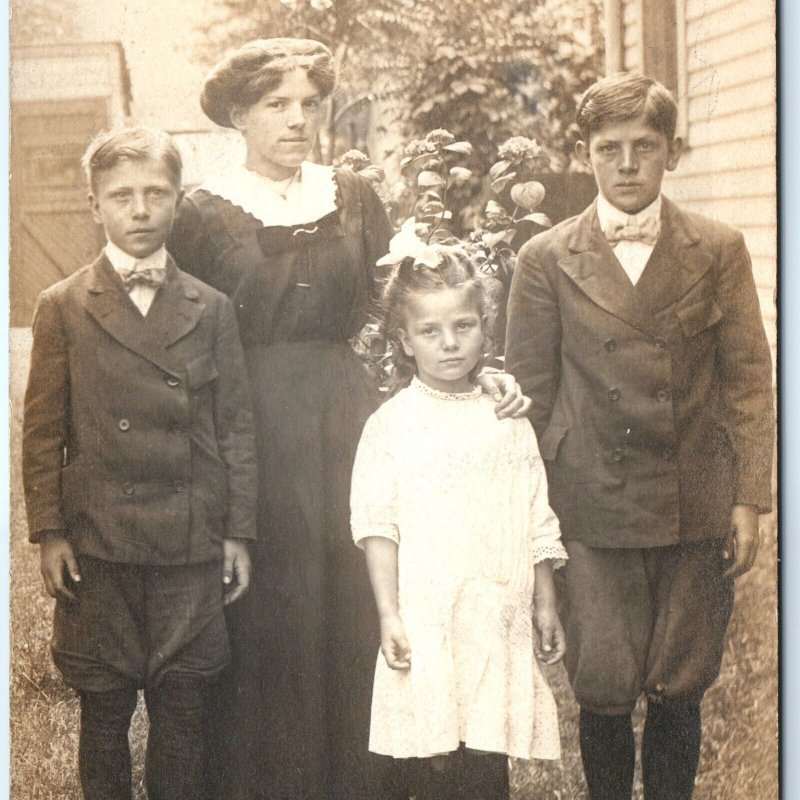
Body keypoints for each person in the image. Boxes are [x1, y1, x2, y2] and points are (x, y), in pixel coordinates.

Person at [167, 37, 529, 800]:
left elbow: (415, 306)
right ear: (239, 115)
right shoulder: (201, 212)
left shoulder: (353, 196)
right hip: (252, 428)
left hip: (348, 424)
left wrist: (479, 372)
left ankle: (367, 781)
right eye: (277, 105)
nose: (298, 120)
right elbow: (184, 334)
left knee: (361, 594)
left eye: (309, 104)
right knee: (274, 609)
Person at [505, 72, 774, 800]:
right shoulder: (546, 259)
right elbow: (527, 397)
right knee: (603, 681)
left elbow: (749, 379)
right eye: (608, 148)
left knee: (681, 681)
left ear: (673, 153)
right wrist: (532, 521)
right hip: (589, 502)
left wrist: (749, 498)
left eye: (644, 147)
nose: (626, 165)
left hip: (692, 497)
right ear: (585, 154)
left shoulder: (717, 249)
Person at [21, 127, 257, 800]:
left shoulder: (211, 308)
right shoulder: (62, 306)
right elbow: (42, 432)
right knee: (104, 703)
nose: (141, 210)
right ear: (94, 205)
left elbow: (236, 427)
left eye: (157, 193)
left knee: (184, 708)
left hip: (189, 539)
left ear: (179, 201)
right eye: (121, 196)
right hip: (101, 542)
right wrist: (49, 532)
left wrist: (239, 531)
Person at [350, 243, 568, 800]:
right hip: (428, 611)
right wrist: (388, 612)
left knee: (485, 756)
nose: (449, 343)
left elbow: (534, 511)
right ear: (404, 339)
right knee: (430, 752)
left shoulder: (506, 418)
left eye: (463, 326)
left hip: (496, 609)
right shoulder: (391, 424)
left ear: (485, 328)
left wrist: (545, 600)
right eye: (430, 331)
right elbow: (378, 526)